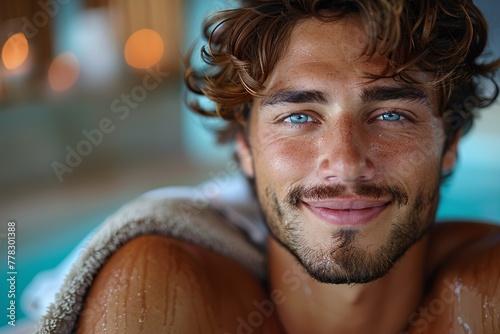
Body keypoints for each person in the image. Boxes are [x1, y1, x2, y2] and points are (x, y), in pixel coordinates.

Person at [38, 1, 500, 333]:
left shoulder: (486, 292)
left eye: (392, 115)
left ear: (451, 143)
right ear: (244, 147)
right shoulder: (165, 292)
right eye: (299, 117)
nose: (345, 163)